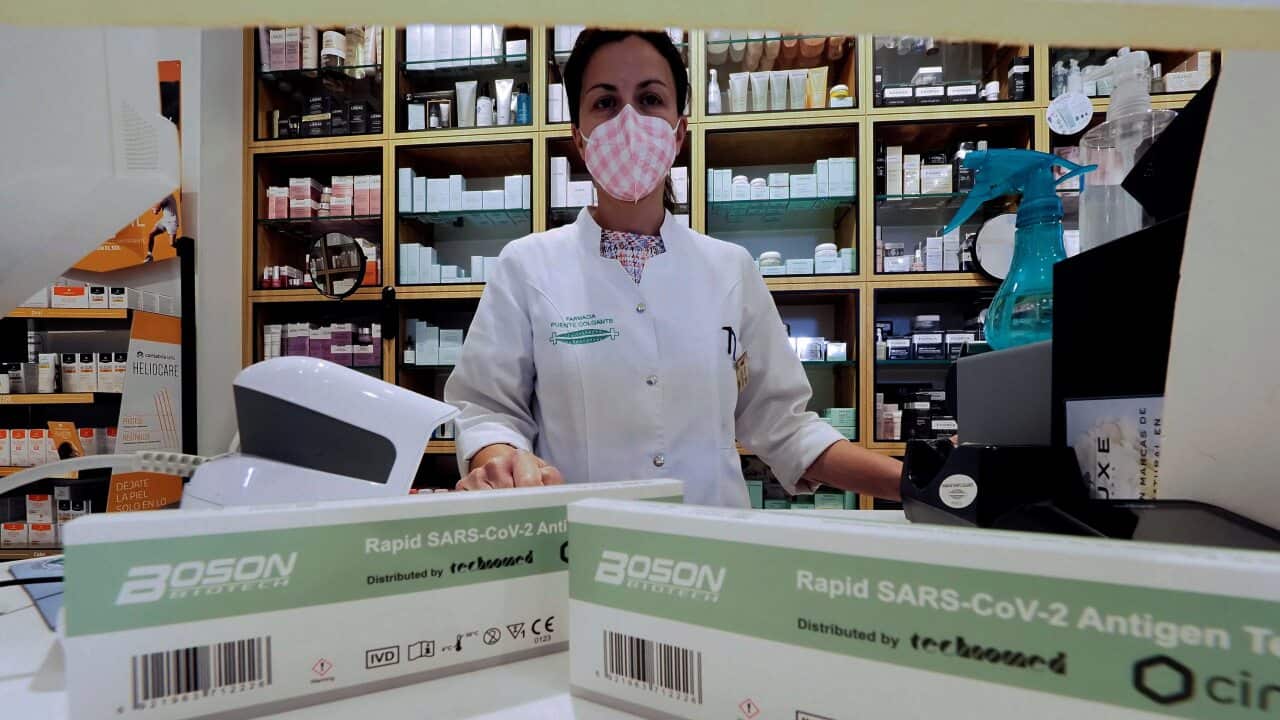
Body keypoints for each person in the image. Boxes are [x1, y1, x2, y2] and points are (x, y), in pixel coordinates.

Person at [444, 30, 902, 506]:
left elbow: (785, 426)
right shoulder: (527, 266)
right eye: (604, 102)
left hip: (711, 548)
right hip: (580, 545)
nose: (628, 120)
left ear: (678, 133)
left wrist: (916, 482)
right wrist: (502, 459)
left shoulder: (730, 269)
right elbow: (486, 411)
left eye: (649, 98)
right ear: (579, 140)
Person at [146, 193, 179, 263]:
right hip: (164, 220)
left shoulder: (167, 195)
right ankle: (149, 255)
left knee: (172, 243)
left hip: (172, 221)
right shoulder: (162, 196)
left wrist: (154, 209)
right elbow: (157, 207)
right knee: (151, 234)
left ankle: (183, 246)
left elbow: (156, 210)